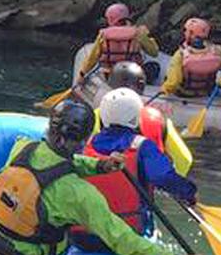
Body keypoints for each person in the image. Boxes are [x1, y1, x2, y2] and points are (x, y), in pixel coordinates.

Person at [0, 98, 210, 255]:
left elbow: (55, 165)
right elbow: (122, 240)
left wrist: (100, 166)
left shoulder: (23, 146)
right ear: (83, 140)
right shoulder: (79, 194)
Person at [80, 87, 197, 240]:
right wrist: (189, 194)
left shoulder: (84, 146)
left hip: (85, 236)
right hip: (130, 235)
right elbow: (164, 178)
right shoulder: (143, 147)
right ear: (136, 116)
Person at [82, 3, 161, 84]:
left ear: (111, 19)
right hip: (133, 76)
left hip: (110, 76)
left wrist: (82, 74)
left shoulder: (103, 35)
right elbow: (154, 52)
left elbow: (92, 58)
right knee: (154, 66)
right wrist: (148, 36)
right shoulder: (137, 33)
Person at [160, 17, 221, 99]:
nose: (184, 33)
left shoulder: (181, 54)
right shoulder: (218, 51)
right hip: (206, 92)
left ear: (191, 33)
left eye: (186, 30)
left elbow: (174, 81)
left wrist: (164, 90)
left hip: (184, 93)